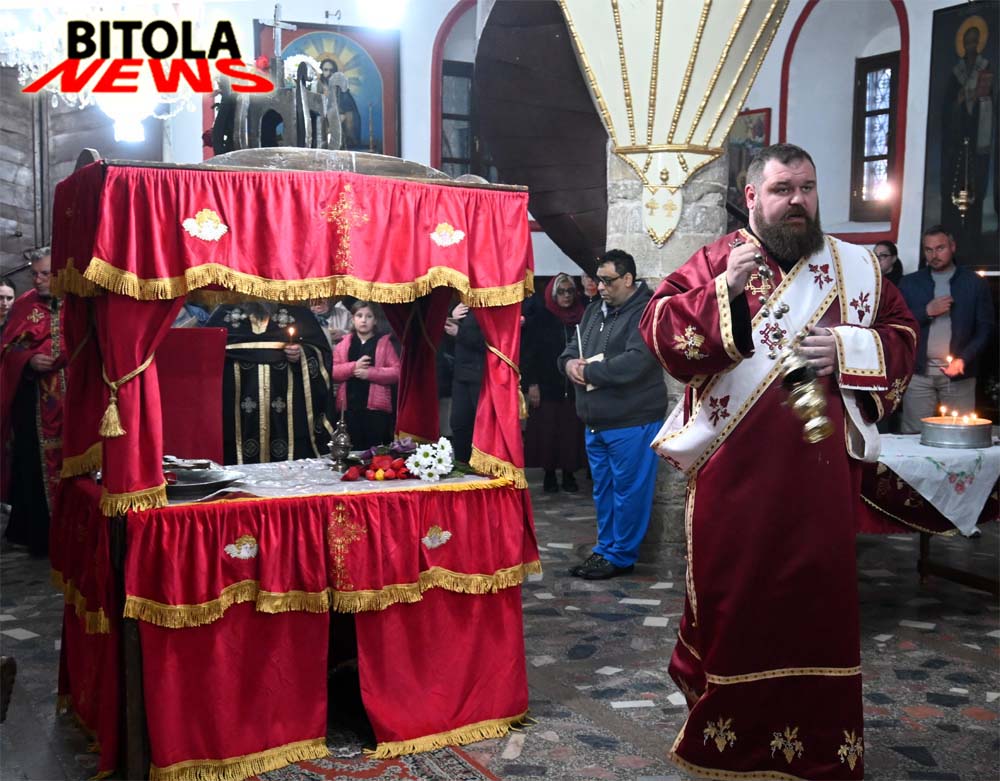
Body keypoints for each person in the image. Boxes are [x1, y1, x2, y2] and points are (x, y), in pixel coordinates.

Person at [638, 143, 917, 780]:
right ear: (752, 198)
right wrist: (724, 293)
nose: (797, 201)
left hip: (820, 481)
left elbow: (902, 334)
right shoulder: (719, 259)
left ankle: (821, 748)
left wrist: (849, 349)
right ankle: (730, 741)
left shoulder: (856, 268)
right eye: (782, 189)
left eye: (806, 188)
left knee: (817, 607)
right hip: (735, 477)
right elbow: (657, 327)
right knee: (737, 599)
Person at [557, 249, 667, 580]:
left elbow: (637, 361)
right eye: (598, 280)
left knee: (629, 493)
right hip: (596, 420)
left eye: (607, 281)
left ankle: (621, 556)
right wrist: (569, 364)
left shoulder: (647, 311)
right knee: (603, 490)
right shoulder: (594, 310)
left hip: (632, 418)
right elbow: (572, 348)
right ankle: (605, 549)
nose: (600, 287)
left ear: (628, 279)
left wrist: (589, 373)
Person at [207, 302, 332, 464]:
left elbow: (321, 353)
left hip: (289, 414)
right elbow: (205, 358)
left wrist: (302, 354)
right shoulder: (225, 314)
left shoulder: (298, 314)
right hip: (236, 413)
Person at [897, 225, 994, 433]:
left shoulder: (974, 283)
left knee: (959, 434)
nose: (934, 255)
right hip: (918, 375)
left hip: (959, 375)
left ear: (952, 247)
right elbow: (897, 324)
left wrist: (964, 359)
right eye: (928, 249)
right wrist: (926, 311)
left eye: (940, 248)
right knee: (914, 435)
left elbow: (985, 328)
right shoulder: (909, 283)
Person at [0, 248, 64, 557]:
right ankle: (41, 538)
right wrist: (28, 360)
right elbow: (6, 350)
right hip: (33, 401)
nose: (37, 280)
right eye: (34, 274)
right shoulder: (25, 304)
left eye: (45, 274)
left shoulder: (79, 302)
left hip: (74, 401)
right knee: (34, 468)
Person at [522, 273, 586, 493]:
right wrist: (532, 384)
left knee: (571, 431)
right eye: (561, 292)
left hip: (575, 385)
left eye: (570, 291)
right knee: (548, 431)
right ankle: (549, 474)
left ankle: (569, 473)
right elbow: (529, 354)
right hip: (547, 385)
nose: (566, 296)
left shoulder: (582, 317)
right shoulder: (541, 319)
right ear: (552, 294)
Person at [332, 301, 400, 450]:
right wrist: (353, 367)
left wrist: (369, 373)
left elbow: (396, 372)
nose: (364, 320)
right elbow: (333, 372)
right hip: (348, 410)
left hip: (375, 411)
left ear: (375, 321)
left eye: (369, 316)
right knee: (350, 451)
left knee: (374, 452)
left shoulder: (384, 343)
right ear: (353, 319)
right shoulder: (343, 344)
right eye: (359, 316)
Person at [450, 304, 485, 463]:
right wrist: (452, 317)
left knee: (481, 426)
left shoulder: (489, 305)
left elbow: (490, 341)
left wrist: (460, 332)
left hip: (481, 375)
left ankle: (482, 467)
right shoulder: (462, 306)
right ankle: (462, 466)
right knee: (459, 423)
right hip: (460, 374)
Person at [317, 58, 362, 150]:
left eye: (331, 70)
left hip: (338, 128)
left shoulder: (341, 90)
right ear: (321, 71)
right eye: (325, 70)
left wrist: (340, 118)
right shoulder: (316, 87)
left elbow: (350, 113)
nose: (328, 73)